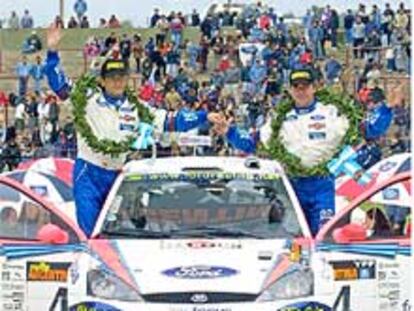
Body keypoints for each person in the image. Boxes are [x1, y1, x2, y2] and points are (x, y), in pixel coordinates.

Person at [43, 25, 208, 236]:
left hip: (119, 175)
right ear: (102, 80)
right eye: (112, 77)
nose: (117, 81)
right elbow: (59, 84)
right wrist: (52, 50)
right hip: (89, 173)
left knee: (118, 233)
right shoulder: (86, 98)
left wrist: (204, 117)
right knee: (90, 233)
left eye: (121, 76)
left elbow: (170, 121)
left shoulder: (137, 106)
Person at [208, 68, 402, 235]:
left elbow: (368, 129)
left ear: (314, 87)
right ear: (290, 90)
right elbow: (251, 143)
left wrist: (387, 109)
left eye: (305, 86)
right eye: (296, 86)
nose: (301, 91)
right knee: (294, 236)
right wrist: (229, 131)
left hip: (323, 185)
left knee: (323, 234)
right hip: (292, 186)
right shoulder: (279, 119)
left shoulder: (331, 113)